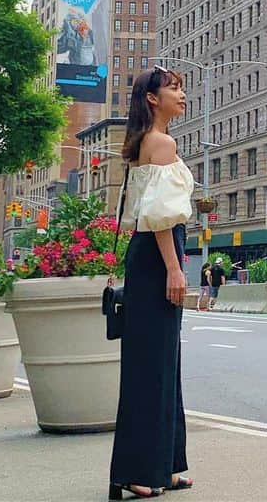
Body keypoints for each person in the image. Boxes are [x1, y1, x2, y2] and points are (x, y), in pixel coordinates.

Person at [109, 66, 195, 499]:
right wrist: (175, 269)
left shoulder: (146, 142)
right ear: (151, 99)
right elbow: (160, 215)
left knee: (161, 363)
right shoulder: (161, 143)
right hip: (157, 256)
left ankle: (167, 464)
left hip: (148, 255)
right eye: (173, 88)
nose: (182, 94)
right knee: (152, 367)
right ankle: (140, 471)